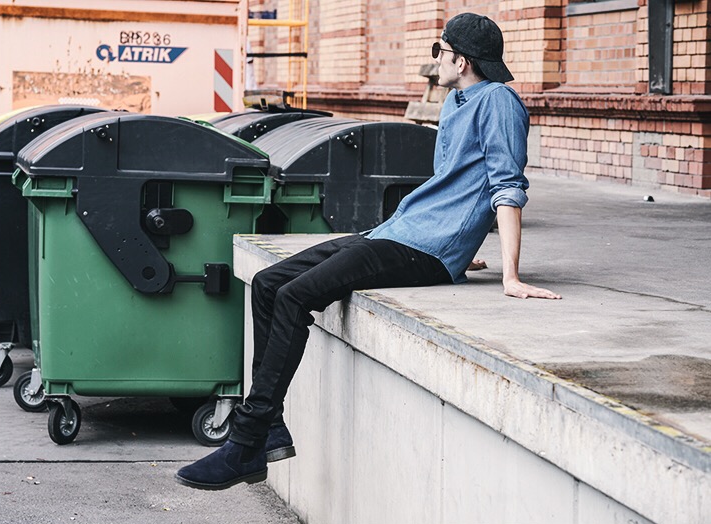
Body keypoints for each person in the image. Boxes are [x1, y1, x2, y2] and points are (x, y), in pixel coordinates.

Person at [175, 12, 562, 491]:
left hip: (425, 249)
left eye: (439, 51)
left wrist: (510, 275)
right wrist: (467, 246)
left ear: (461, 61)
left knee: (296, 297)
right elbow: (459, 185)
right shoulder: (457, 100)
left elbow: (506, 186)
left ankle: (246, 442)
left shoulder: (499, 102)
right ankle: (268, 429)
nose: (435, 60)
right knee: (270, 283)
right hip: (403, 231)